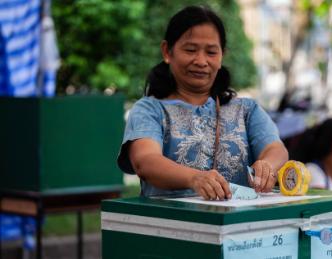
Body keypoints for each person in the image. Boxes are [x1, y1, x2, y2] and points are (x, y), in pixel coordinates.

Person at [117, 6, 288, 200]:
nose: (201, 61)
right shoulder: (149, 110)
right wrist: (194, 178)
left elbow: (276, 149)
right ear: (167, 51)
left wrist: (267, 165)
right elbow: (146, 161)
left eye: (211, 52)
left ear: (222, 55)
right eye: (190, 50)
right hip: (172, 225)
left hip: (238, 227)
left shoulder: (246, 110)